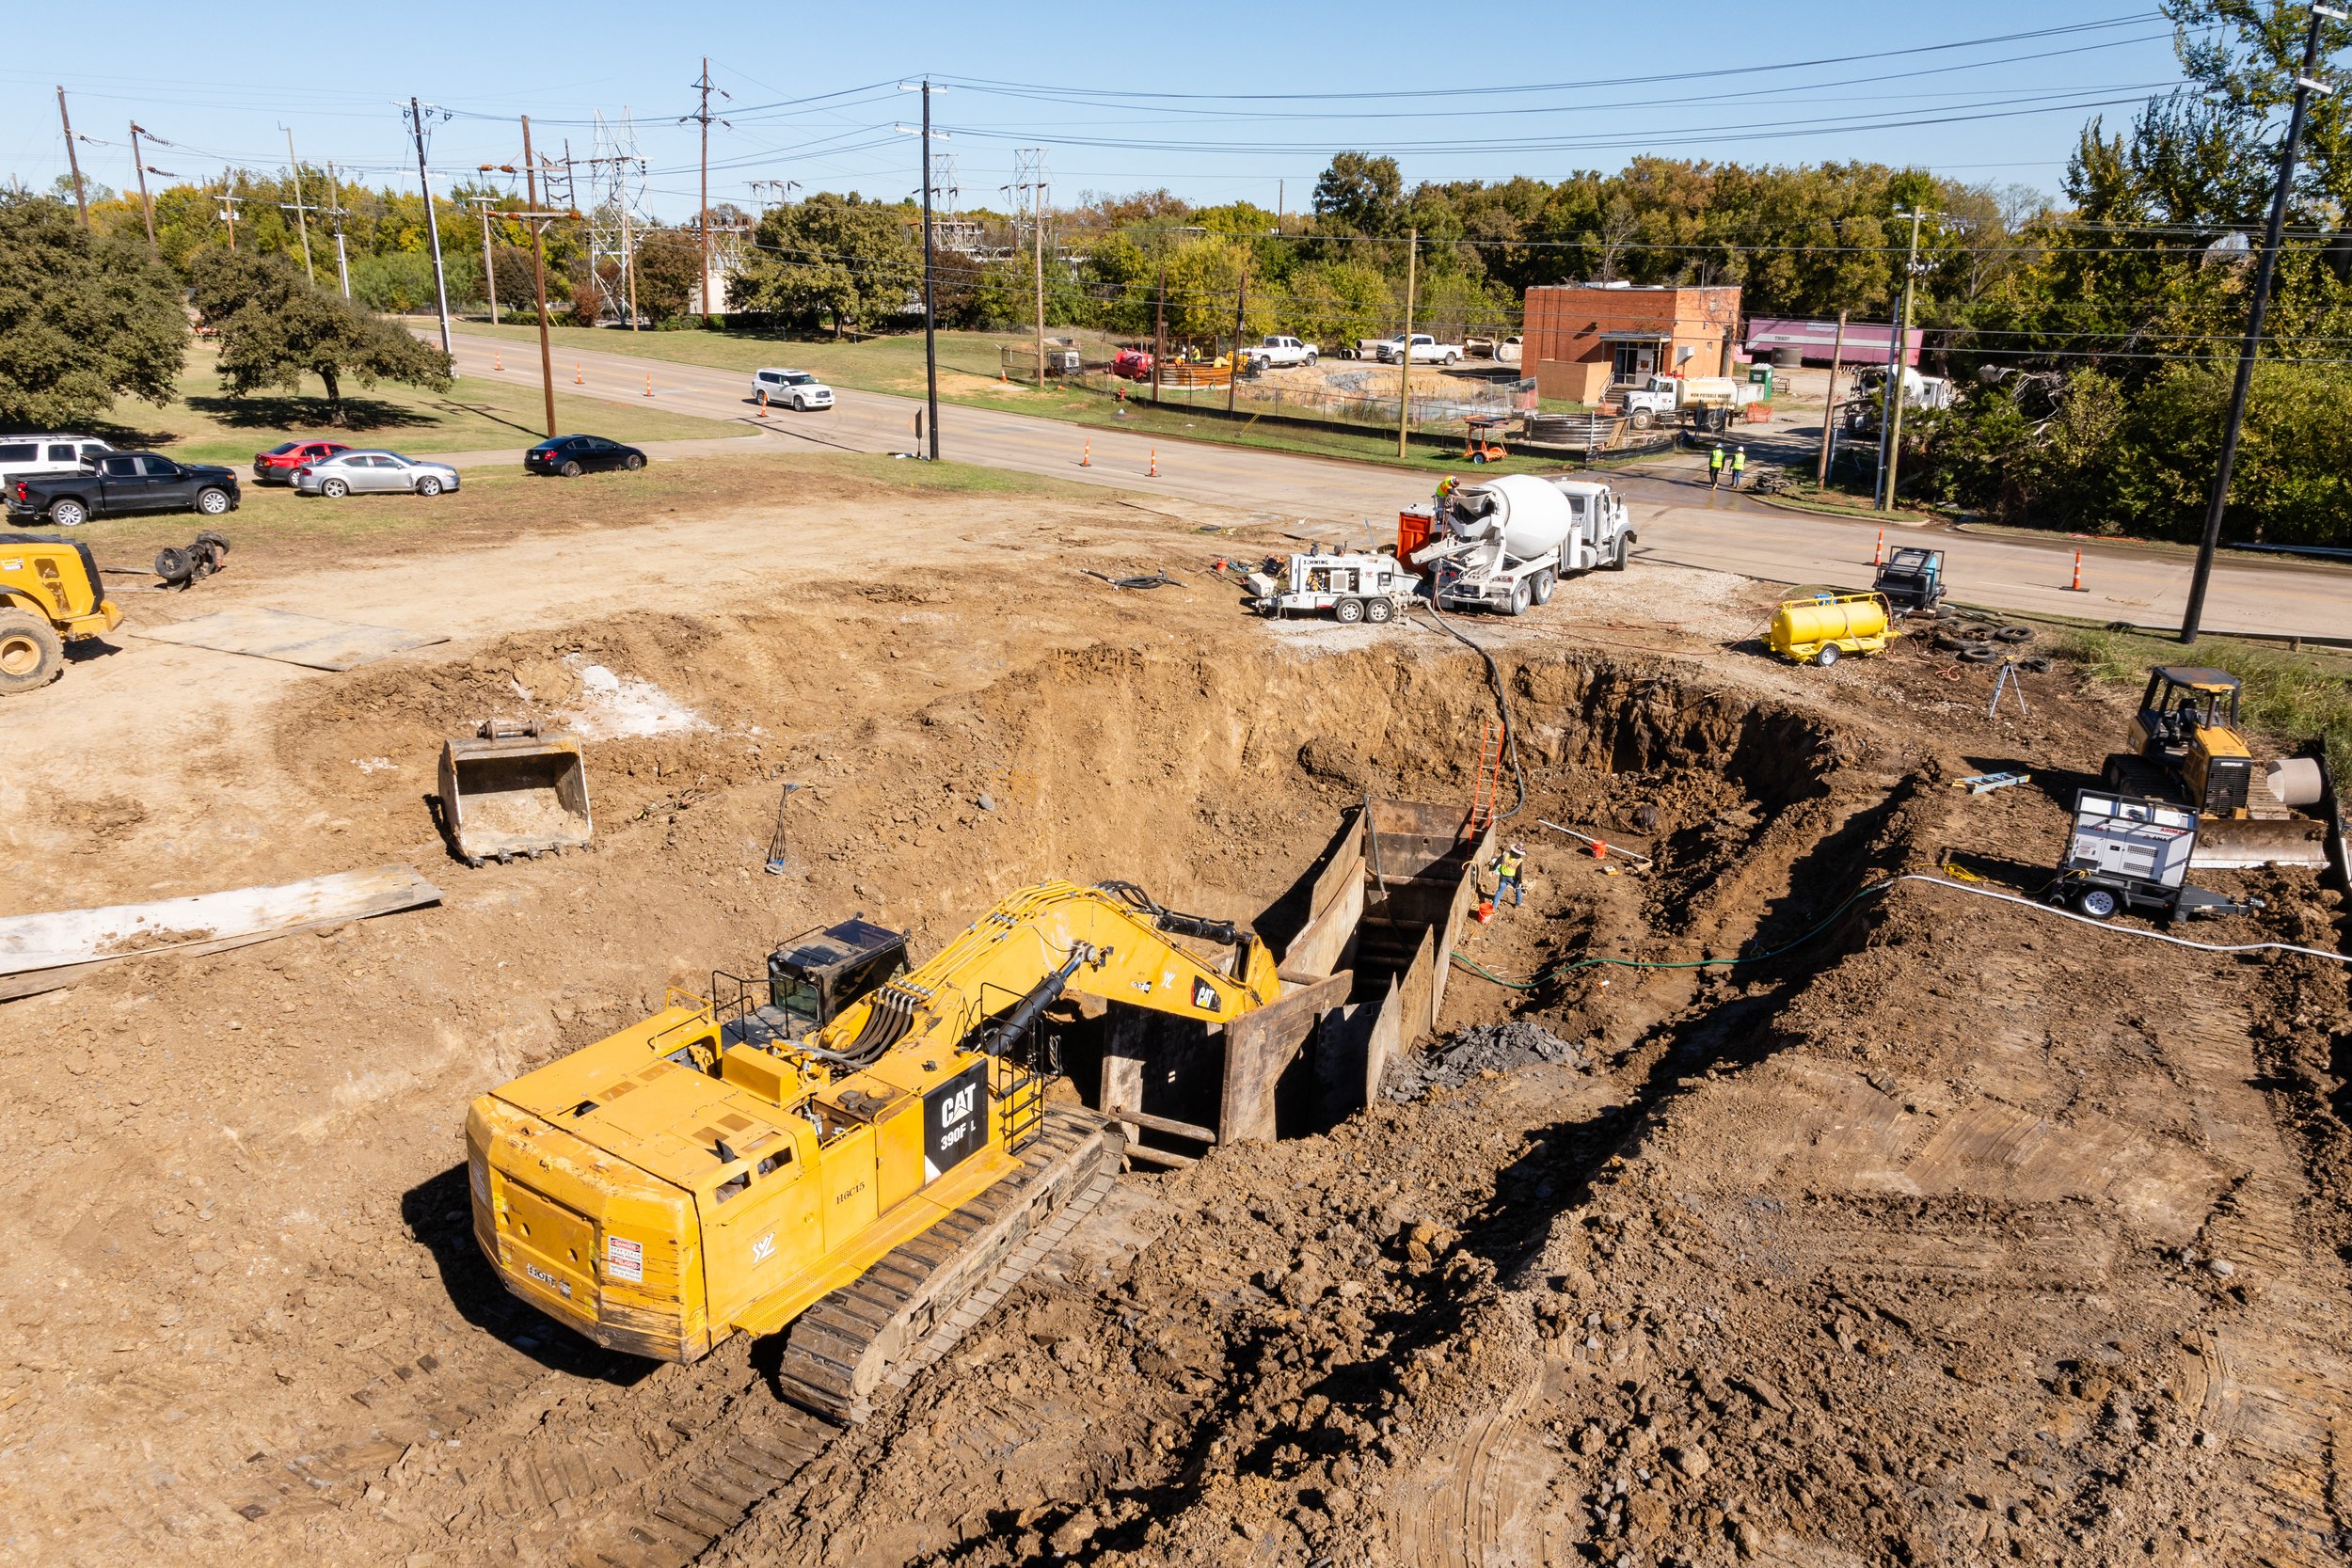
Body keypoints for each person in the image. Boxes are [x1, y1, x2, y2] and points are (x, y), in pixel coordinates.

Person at [1494, 842, 1527, 907]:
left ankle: (1493, 907)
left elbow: (1498, 861)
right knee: (1518, 888)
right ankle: (1518, 903)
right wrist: (1520, 882)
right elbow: (1518, 872)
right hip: (1511, 878)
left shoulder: (1506, 854)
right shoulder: (1519, 860)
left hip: (1502, 876)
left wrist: (1493, 868)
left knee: (1499, 891)